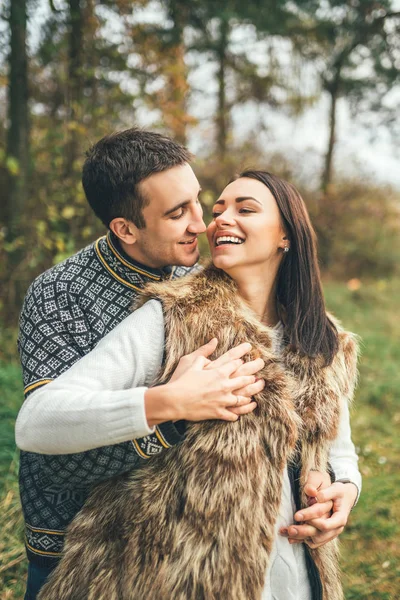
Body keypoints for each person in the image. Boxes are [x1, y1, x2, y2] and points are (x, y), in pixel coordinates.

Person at [21, 170, 361, 600]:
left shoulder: (324, 338)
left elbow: (339, 449)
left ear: (286, 236)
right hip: (186, 572)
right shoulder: (172, 316)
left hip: (294, 569)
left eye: (246, 209)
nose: (219, 220)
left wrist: (345, 490)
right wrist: (168, 400)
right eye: (218, 209)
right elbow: (36, 422)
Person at [16, 128, 265, 600]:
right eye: (177, 213)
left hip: (174, 541)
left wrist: (336, 480)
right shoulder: (58, 295)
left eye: (198, 202)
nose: (201, 224)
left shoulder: (203, 275)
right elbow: (50, 456)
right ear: (125, 228)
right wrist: (170, 407)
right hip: (72, 546)